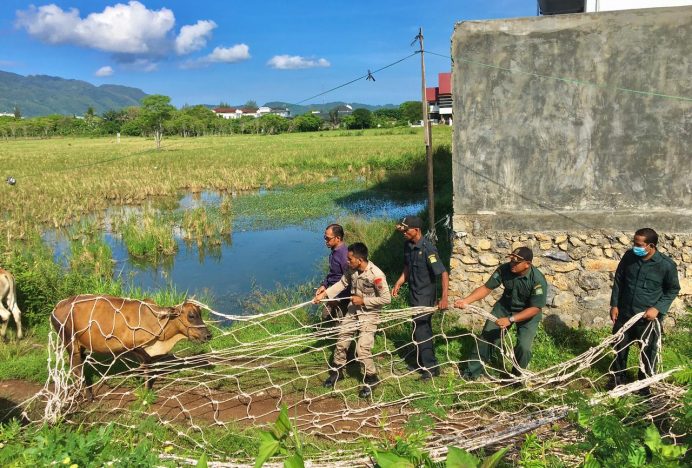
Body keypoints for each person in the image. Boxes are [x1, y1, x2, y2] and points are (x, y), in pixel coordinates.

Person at [454, 247, 547, 381]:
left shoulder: (537, 280)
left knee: (524, 347)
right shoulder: (504, 269)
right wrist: (466, 301)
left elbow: (535, 308)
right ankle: (472, 373)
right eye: (511, 260)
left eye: (516, 262)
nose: (512, 264)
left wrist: (511, 319)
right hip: (505, 307)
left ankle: (517, 378)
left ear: (527, 264)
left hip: (528, 313)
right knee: (487, 336)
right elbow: (486, 288)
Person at [313, 242, 391, 398]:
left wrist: (364, 301)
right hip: (352, 311)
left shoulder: (376, 275)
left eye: (350, 259)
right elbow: (342, 283)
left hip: (369, 314)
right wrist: (325, 295)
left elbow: (386, 299)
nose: (347, 262)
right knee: (341, 341)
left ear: (359, 260)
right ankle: (337, 372)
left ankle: (371, 378)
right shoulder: (352, 270)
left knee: (362, 349)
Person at [609, 228, 680, 393]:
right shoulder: (629, 257)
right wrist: (614, 305)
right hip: (625, 314)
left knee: (648, 351)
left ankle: (643, 385)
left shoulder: (666, 265)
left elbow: (673, 290)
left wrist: (657, 308)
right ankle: (618, 380)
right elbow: (619, 280)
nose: (635, 246)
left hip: (647, 319)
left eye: (639, 244)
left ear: (651, 245)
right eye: (634, 243)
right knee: (619, 346)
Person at [392, 216, 449, 380]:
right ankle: (421, 362)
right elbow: (407, 267)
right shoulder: (408, 246)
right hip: (413, 294)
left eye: (405, 230)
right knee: (417, 329)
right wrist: (399, 282)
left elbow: (443, 273)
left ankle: (430, 368)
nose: (403, 233)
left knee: (422, 330)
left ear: (416, 230)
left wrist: (444, 298)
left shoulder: (428, 249)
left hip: (425, 296)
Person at [315, 224, 349, 322]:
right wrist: (324, 285)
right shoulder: (334, 251)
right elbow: (333, 272)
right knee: (325, 317)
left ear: (338, 238)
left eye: (328, 238)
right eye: (325, 237)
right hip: (332, 292)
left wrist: (337, 298)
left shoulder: (344, 256)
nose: (325, 241)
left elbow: (349, 281)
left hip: (342, 296)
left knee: (339, 325)